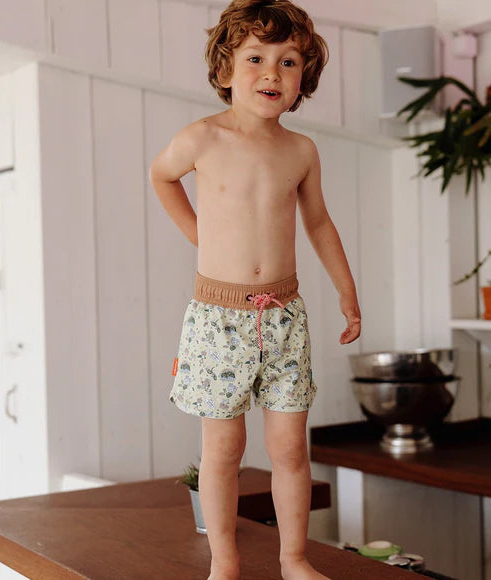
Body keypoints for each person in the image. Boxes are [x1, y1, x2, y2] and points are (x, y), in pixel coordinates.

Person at [149, 1, 361, 578]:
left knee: (290, 448)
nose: (272, 72)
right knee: (223, 450)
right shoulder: (202, 138)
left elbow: (319, 223)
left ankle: (294, 559)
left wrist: (346, 291)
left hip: (285, 316)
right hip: (218, 319)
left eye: (288, 62)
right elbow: (162, 175)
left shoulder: (301, 150)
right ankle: (225, 563)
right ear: (225, 70)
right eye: (255, 59)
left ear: (302, 79)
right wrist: (199, 235)